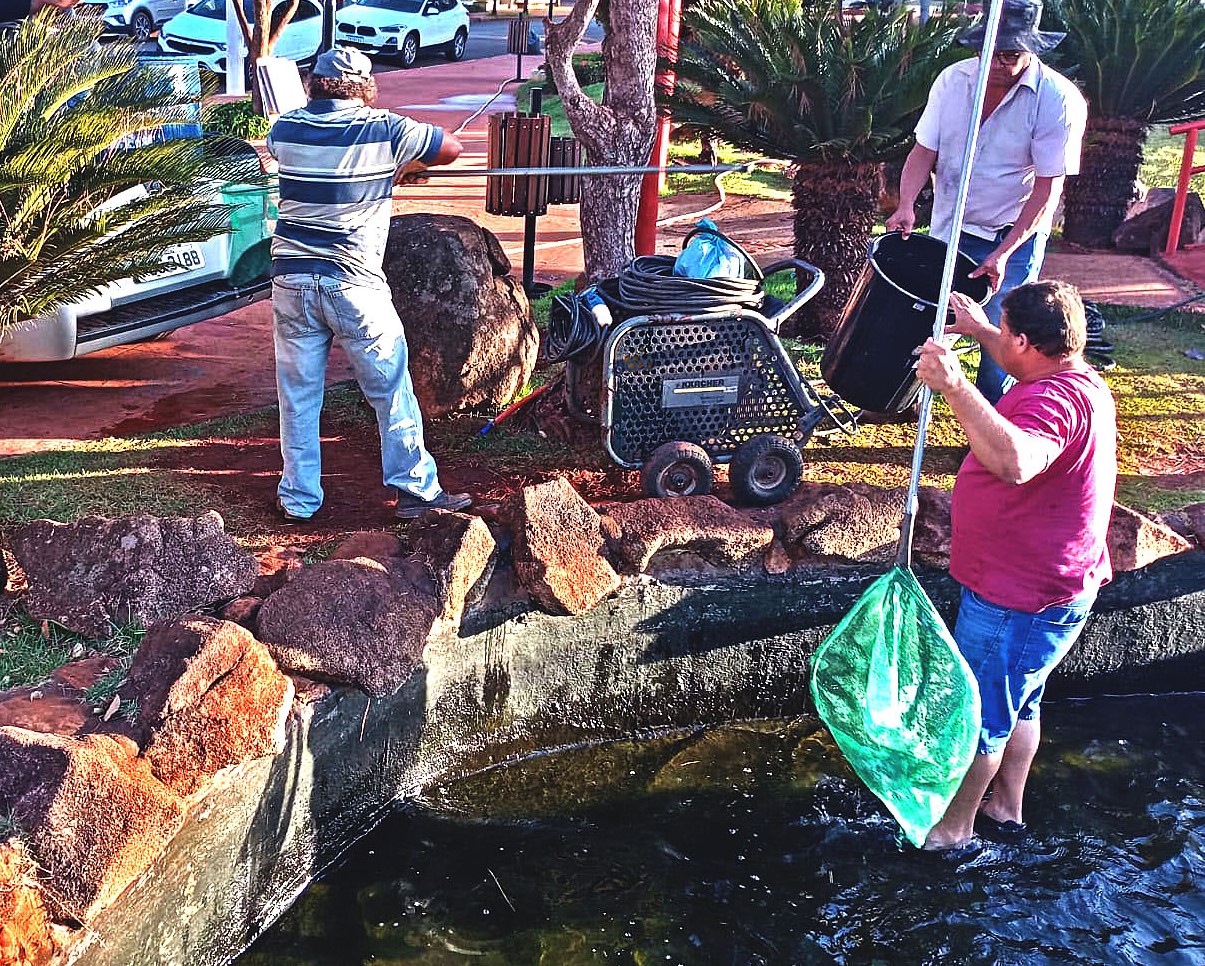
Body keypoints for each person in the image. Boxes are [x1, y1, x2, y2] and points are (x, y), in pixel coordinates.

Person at [914, 280, 1117, 851]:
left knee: (979, 713)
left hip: (1022, 596)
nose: (997, 340)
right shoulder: (1073, 378)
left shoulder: (1053, 400)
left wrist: (955, 385)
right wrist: (980, 328)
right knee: (1020, 698)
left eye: (1004, 333)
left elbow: (1017, 461)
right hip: (1048, 584)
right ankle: (1006, 807)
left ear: (1026, 341)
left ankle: (951, 833)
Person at [266, 47, 471, 521]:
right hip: (353, 282)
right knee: (389, 388)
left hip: (291, 280)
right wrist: (399, 167)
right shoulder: (385, 128)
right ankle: (416, 490)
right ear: (364, 87)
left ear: (312, 84)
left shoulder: (285, 128)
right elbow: (451, 148)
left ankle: (299, 500)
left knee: (297, 395)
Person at [886, 0, 1087, 404]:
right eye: (990, 51)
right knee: (928, 319)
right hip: (950, 227)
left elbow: (1047, 190)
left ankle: (995, 429)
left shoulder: (1058, 100)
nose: (998, 63)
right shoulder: (951, 81)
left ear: (1032, 49)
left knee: (1006, 339)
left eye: (1010, 54)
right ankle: (903, 400)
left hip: (1011, 235)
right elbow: (922, 153)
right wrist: (906, 204)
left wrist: (1004, 252)